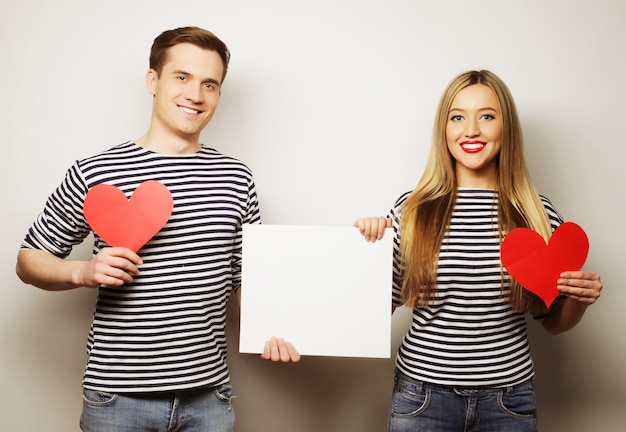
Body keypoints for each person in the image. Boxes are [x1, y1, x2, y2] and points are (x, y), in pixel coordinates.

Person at [16, 26, 299, 432]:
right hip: (117, 399)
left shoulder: (237, 178)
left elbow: (244, 279)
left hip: (209, 399)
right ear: (154, 80)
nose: (196, 95)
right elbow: (28, 260)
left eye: (210, 84)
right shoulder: (96, 172)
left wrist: (276, 328)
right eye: (181, 77)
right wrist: (83, 271)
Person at [354, 69, 602, 432]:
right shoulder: (411, 211)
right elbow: (373, 312)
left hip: (509, 401)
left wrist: (579, 299)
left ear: (507, 129)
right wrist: (364, 251)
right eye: (458, 117)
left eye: (486, 116)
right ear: (444, 130)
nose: (471, 130)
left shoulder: (537, 214)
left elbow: (552, 323)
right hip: (422, 398)